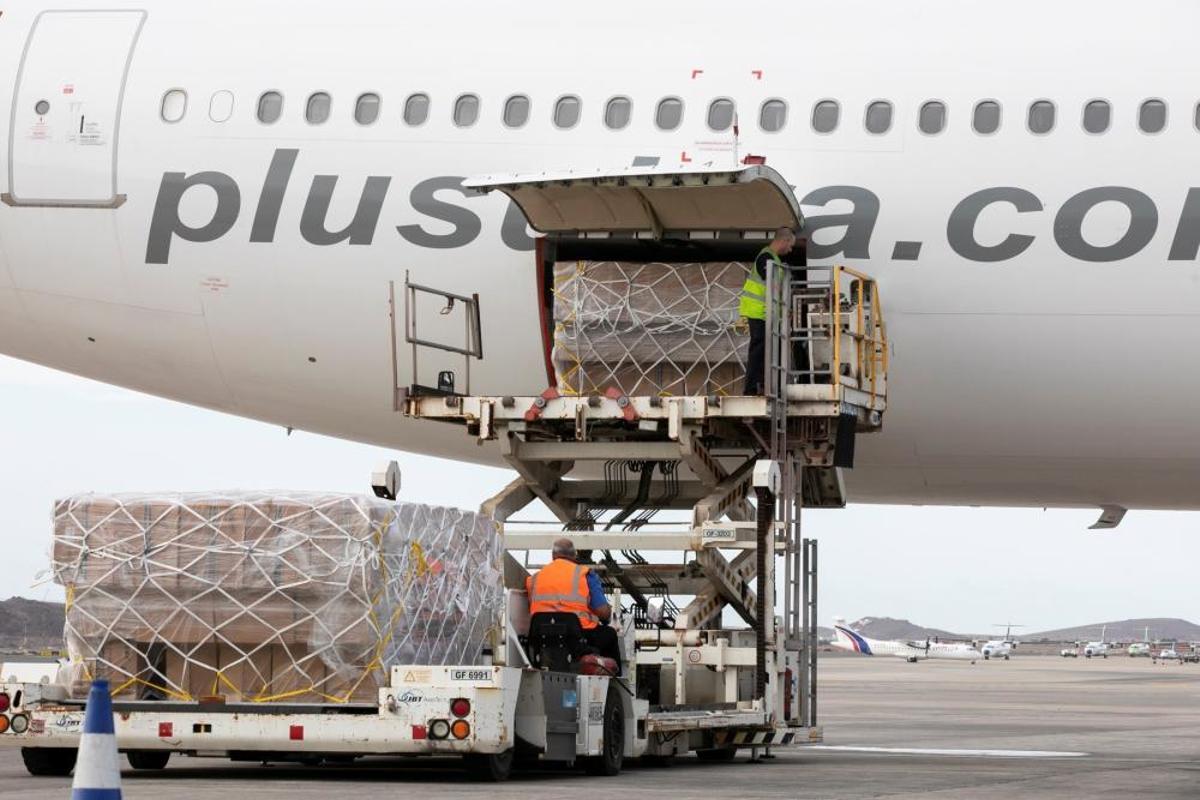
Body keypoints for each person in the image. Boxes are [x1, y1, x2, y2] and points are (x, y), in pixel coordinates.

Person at [526, 537, 621, 669]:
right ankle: (612, 678)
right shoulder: (585, 574)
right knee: (610, 634)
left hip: (543, 640)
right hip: (578, 638)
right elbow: (603, 612)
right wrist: (607, 611)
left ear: (553, 555)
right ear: (574, 555)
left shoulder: (534, 579)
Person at [740, 227, 801, 395]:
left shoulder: (774, 259)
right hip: (758, 311)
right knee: (759, 350)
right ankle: (751, 389)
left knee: (769, 350)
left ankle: (765, 386)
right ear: (784, 241)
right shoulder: (766, 258)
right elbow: (772, 285)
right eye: (790, 246)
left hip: (767, 313)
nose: (790, 250)